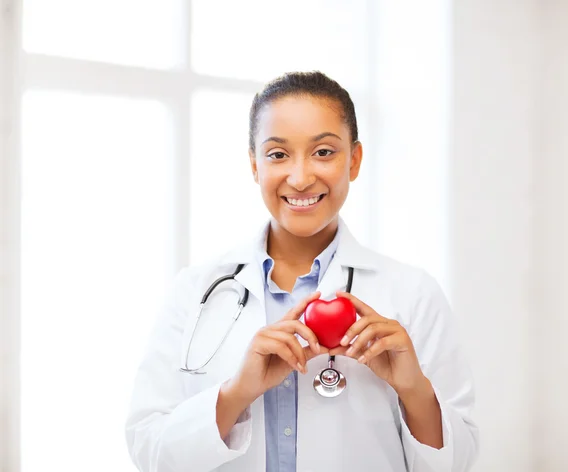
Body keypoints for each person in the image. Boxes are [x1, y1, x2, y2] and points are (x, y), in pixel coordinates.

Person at [125, 71, 479, 472]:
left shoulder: (413, 293)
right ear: (255, 165)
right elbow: (151, 452)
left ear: (355, 160)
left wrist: (412, 388)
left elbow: (457, 461)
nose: (300, 177)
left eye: (324, 152)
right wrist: (238, 393)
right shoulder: (195, 291)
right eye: (277, 154)